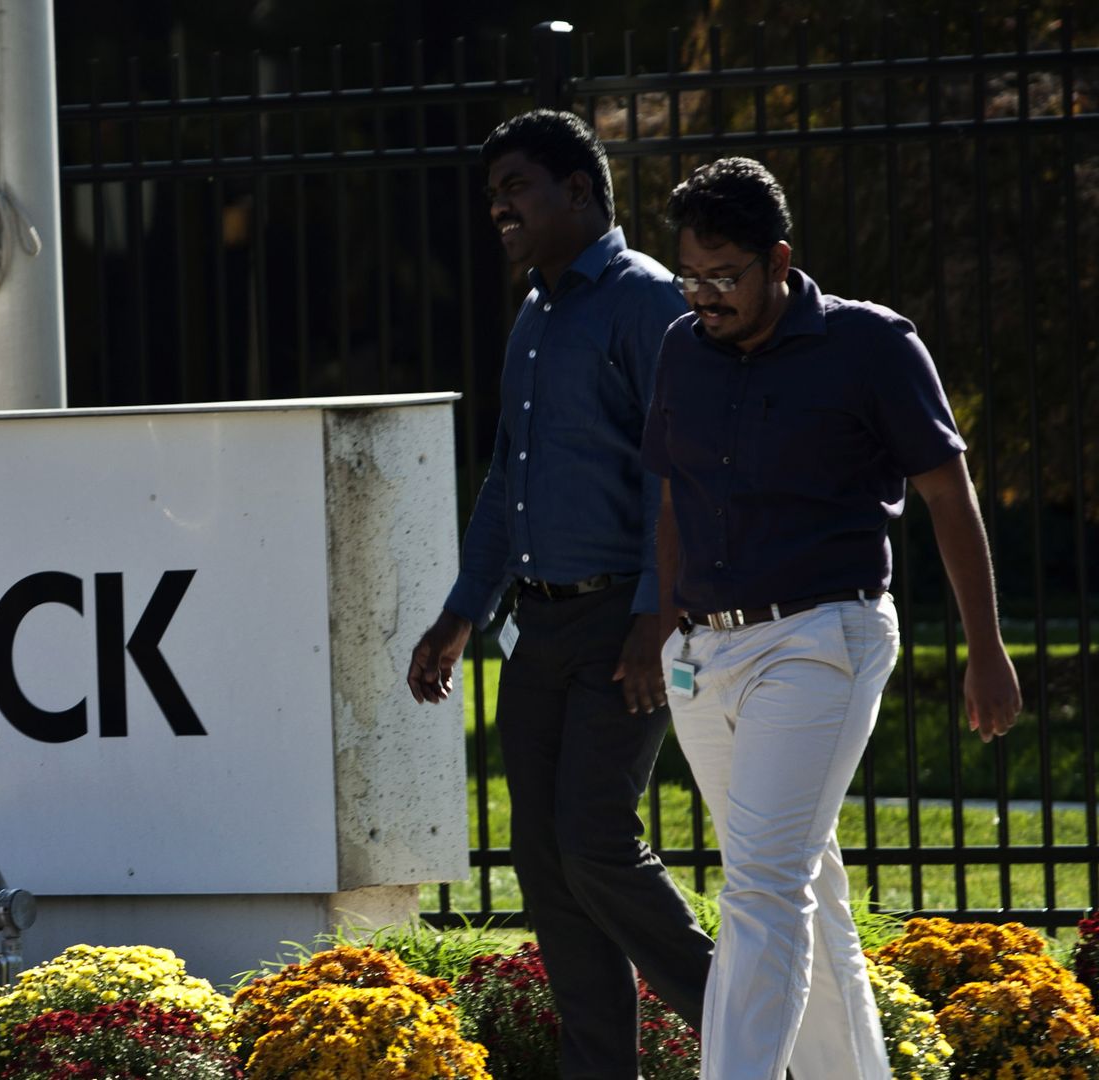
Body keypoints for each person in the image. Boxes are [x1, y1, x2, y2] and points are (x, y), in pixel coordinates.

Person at [644, 157, 1022, 1080]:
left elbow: (948, 494)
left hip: (821, 638)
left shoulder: (872, 345)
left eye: (725, 276)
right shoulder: (680, 348)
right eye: (691, 277)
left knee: (761, 890)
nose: (705, 297)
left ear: (779, 260)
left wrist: (987, 651)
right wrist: (661, 625)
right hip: (702, 653)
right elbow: (668, 494)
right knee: (804, 883)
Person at [406, 109, 712, 1077]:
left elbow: (677, 473)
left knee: (595, 842)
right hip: (534, 631)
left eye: (517, 187)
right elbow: (508, 475)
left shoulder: (646, 302)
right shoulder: (536, 315)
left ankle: (752, 1027)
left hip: (621, 619)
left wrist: (654, 617)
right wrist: (464, 612)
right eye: (492, 192)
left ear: (579, 190)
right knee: (546, 866)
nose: (497, 206)